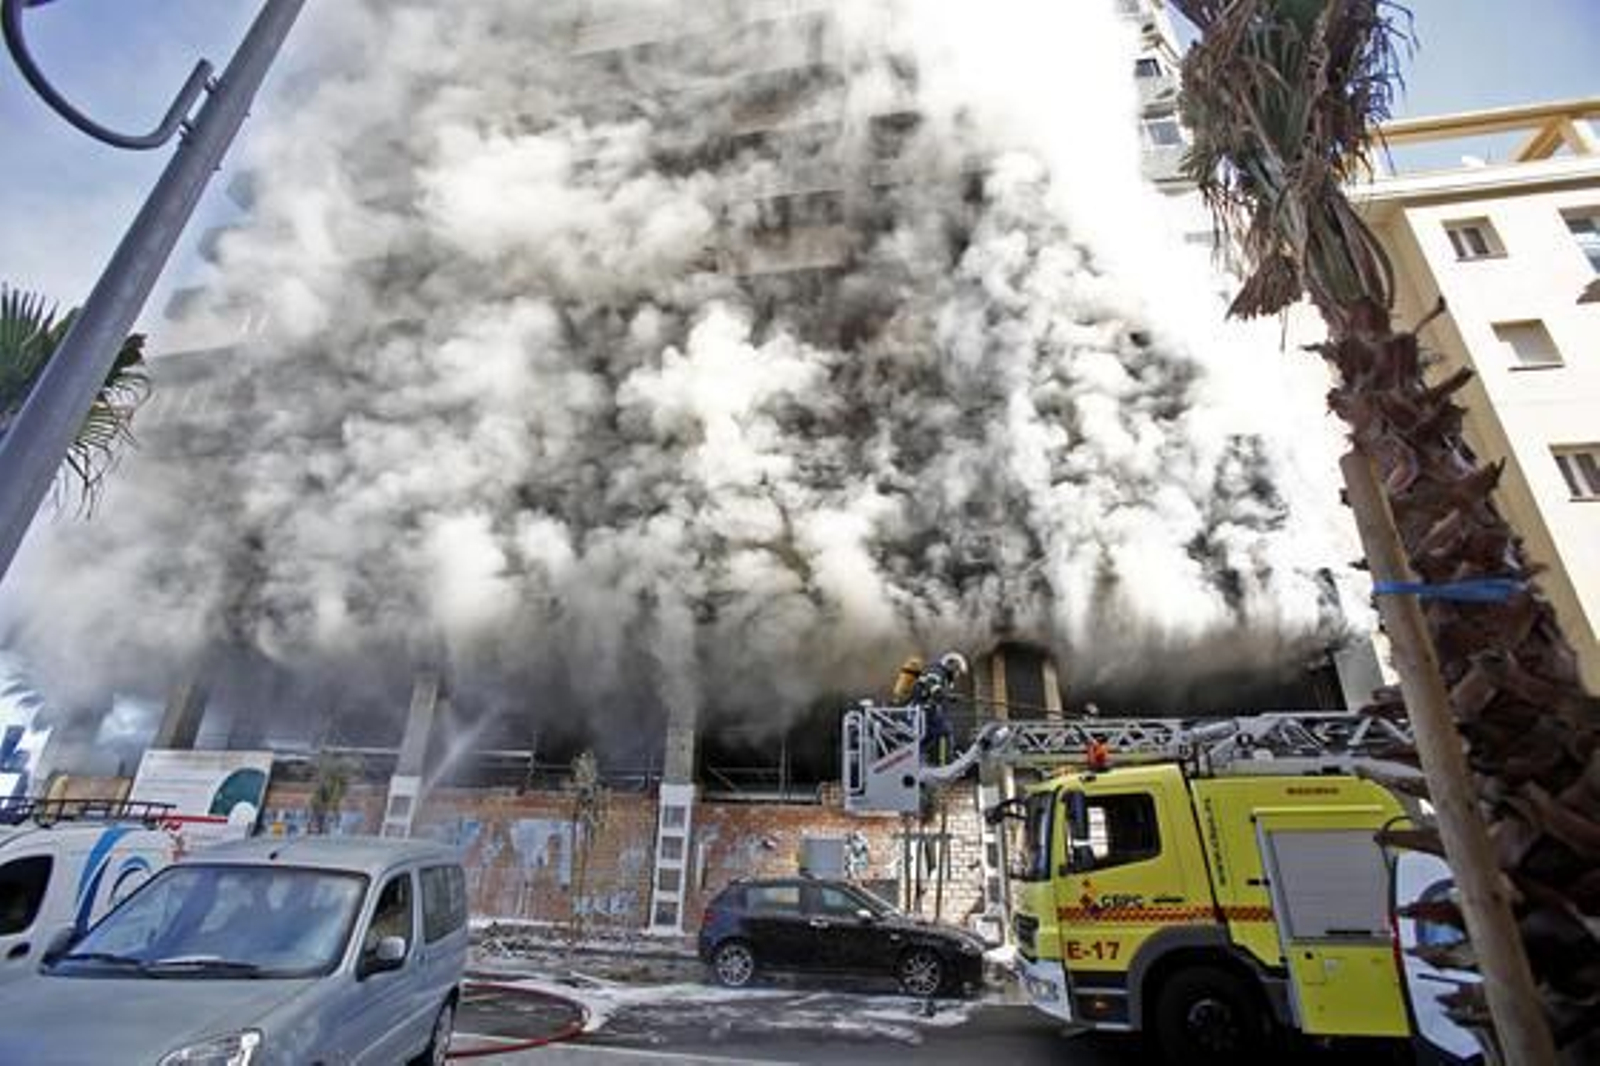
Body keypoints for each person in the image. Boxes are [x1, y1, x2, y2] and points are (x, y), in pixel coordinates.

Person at [913, 652, 968, 764]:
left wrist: (949, 697)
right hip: (924, 711)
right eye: (956, 670)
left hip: (926, 712)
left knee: (928, 739)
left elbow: (938, 694)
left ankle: (921, 761)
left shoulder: (942, 675)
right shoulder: (937, 671)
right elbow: (933, 687)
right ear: (951, 664)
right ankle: (945, 764)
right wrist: (948, 696)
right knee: (945, 731)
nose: (956, 674)